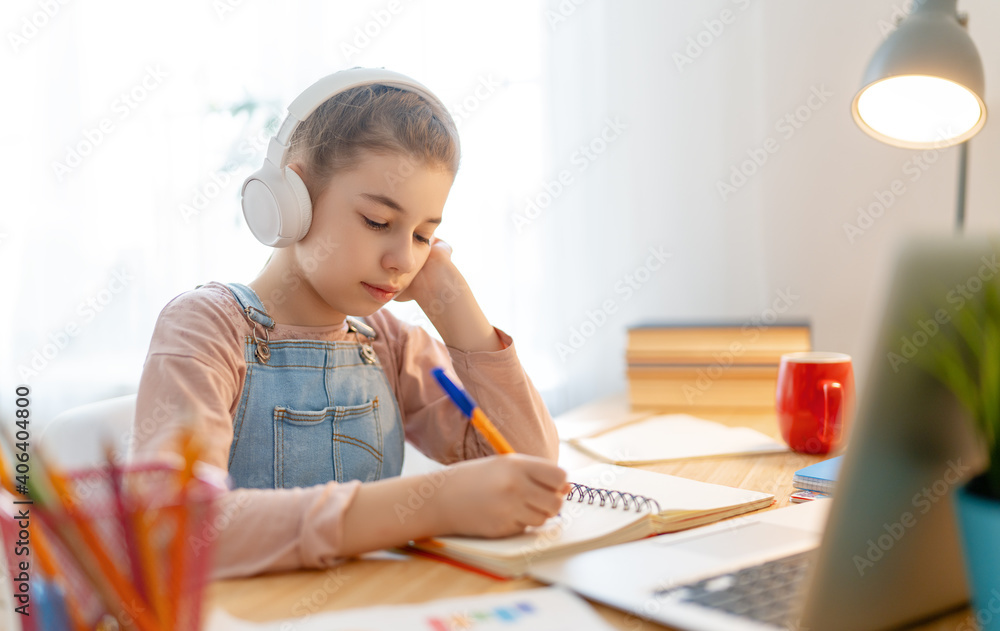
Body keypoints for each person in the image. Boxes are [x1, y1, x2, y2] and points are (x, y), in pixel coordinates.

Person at [131, 68, 565, 578]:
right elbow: (173, 532)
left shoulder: (389, 342)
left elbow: (531, 465)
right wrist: (430, 504)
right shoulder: (206, 329)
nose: (403, 259)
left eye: (424, 235)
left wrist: (457, 310)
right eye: (378, 222)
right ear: (290, 202)